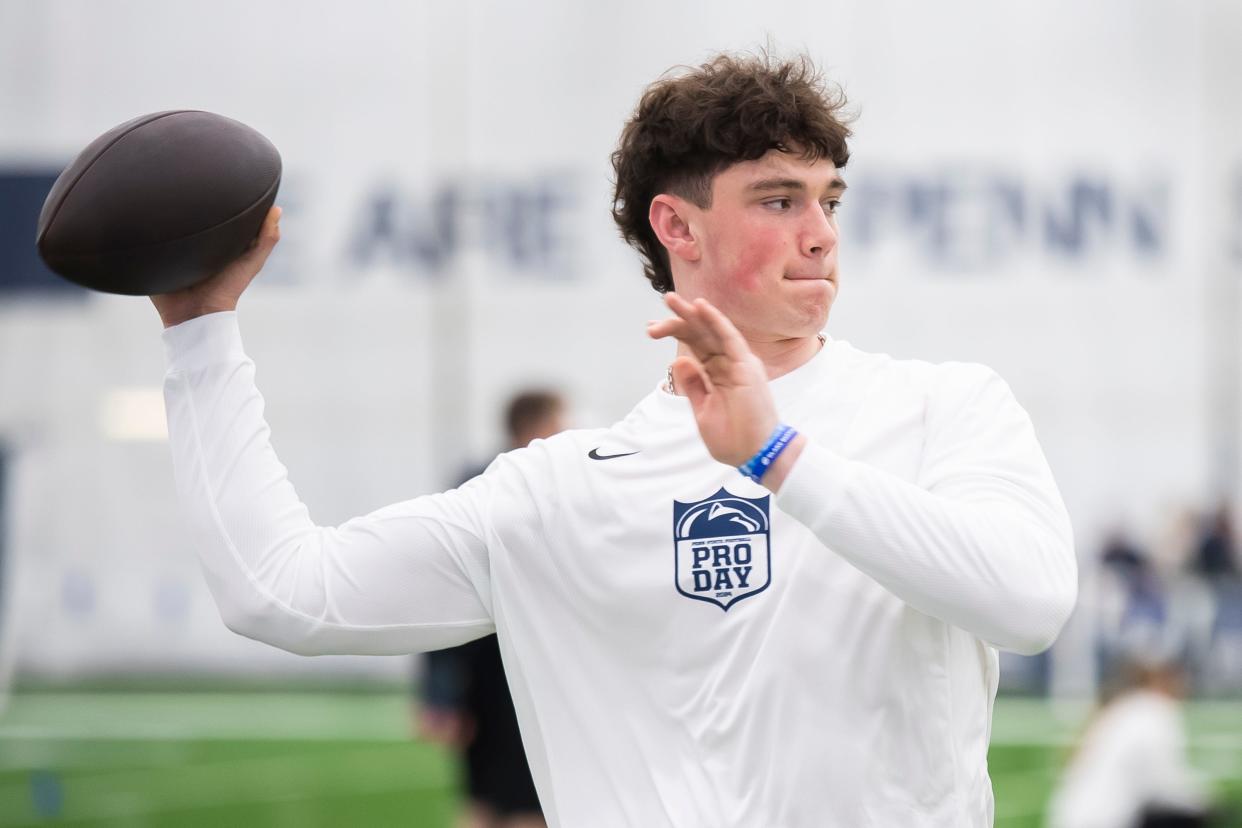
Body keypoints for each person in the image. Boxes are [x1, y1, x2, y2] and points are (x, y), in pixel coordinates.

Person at [152, 52, 1077, 826]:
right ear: (677, 226)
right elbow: (282, 591)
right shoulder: (560, 487)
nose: (821, 235)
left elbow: (1031, 602)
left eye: (828, 200)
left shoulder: (943, 407)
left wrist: (779, 456)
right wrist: (197, 331)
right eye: (778, 201)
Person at [418, 391, 565, 828]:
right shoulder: (513, 488)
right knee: (523, 804)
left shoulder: (477, 483)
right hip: (505, 671)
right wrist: (439, 692)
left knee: (487, 799)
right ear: (536, 429)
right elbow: (443, 584)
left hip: (484, 669)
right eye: (561, 423)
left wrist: (439, 692)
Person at [1047, 656, 1210, 828]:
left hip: (1071, 818)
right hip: (1108, 820)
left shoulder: (1121, 708)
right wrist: (1202, 802)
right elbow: (1164, 783)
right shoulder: (1153, 711)